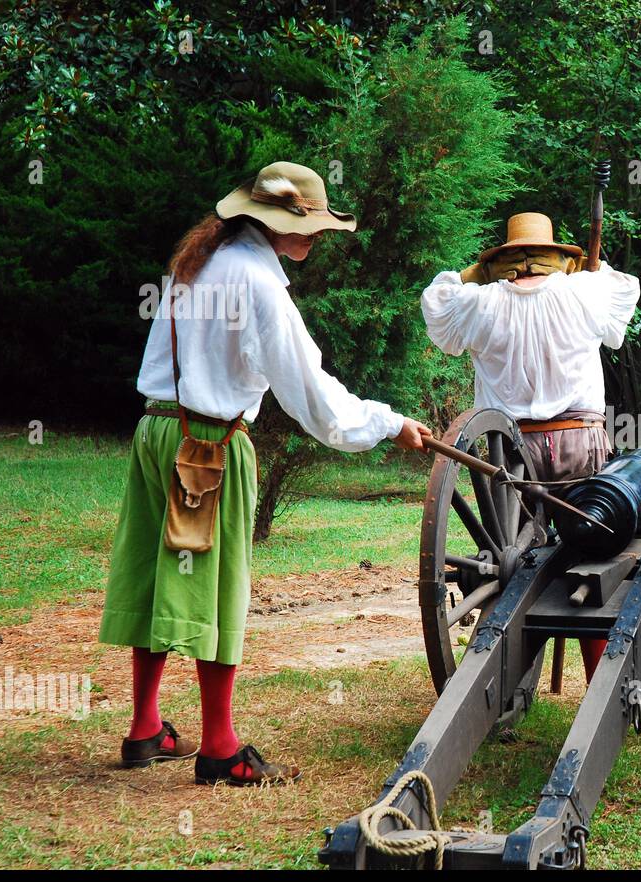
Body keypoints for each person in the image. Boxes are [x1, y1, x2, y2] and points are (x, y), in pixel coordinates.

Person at [99, 161, 431, 786]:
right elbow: (311, 392)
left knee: (154, 573)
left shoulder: (200, 263)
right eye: (308, 225)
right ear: (271, 222)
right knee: (214, 584)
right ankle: (220, 746)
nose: (316, 237)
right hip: (207, 446)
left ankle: (146, 726)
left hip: (157, 431)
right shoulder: (256, 281)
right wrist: (389, 422)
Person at [421, 212, 640, 680]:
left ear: (501, 260)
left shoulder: (479, 302)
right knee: (591, 555)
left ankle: (506, 675)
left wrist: (474, 275)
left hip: (511, 451)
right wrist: (588, 272)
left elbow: (436, 301)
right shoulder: (582, 291)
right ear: (557, 257)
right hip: (580, 440)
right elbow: (625, 289)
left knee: (514, 562)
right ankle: (599, 678)